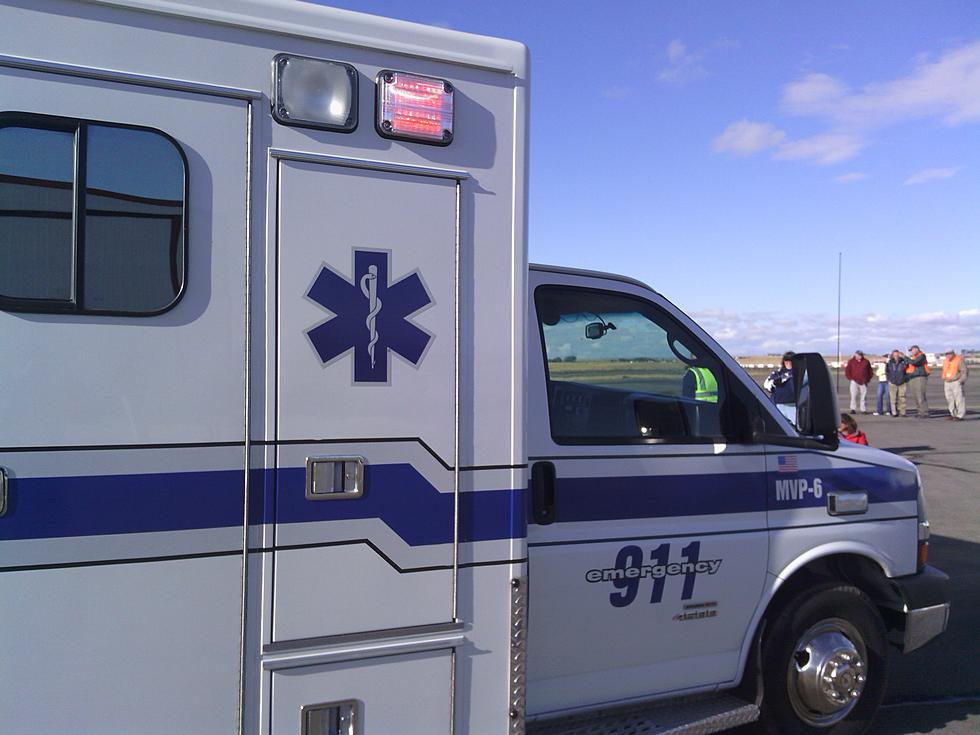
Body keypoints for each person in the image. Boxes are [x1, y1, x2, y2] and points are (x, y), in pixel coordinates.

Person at [764, 351, 796, 423]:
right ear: (784, 361)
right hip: (777, 405)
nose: (788, 363)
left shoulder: (798, 373)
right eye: (786, 360)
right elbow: (766, 384)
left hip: (792, 406)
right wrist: (775, 382)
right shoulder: (777, 373)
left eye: (791, 360)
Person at [941, 349, 968, 421]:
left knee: (959, 399)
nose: (948, 355)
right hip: (947, 382)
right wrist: (944, 378)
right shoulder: (945, 361)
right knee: (949, 399)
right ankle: (953, 414)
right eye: (946, 354)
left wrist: (961, 381)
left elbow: (964, 371)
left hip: (956, 382)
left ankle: (960, 415)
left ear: (953, 354)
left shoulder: (959, 360)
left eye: (949, 354)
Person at [906, 345, 930, 419]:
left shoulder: (922, 356)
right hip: (912, 378)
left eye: (912, 350)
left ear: (916, 349)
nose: (911, 352)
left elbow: (915, 363)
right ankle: (920, 411)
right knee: (916, 396)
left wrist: (906, 358)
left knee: (920, 395)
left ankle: (924, 412)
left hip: (920, 377)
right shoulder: (913, 357)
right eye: (911, 351)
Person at [886, 349, 908, 417]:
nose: (896, 356)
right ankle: (894, 412)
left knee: (902, 398)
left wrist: (905, 379)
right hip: (892, 382)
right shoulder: (889, 362)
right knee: (893, 398)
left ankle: (903, 412)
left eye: (897, 355)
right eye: (894, 355)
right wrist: (889, 379)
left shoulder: (903, 362)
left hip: (902, 382)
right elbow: (887, 371)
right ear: (892, 355)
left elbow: (908, 368)